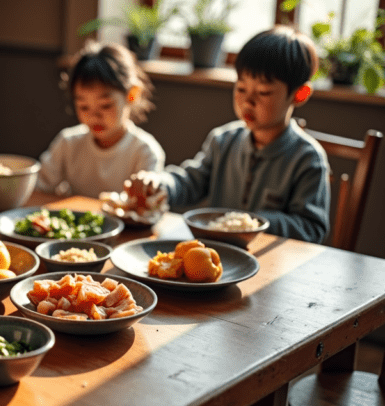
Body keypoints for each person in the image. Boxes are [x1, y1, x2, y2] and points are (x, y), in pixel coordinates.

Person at [127, 26, 330, 243]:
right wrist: (160, 183)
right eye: (241, 88)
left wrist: (252, 223)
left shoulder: (307, 158)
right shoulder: (223, 140)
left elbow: (312, 228)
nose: (247, 101)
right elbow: (190, 181)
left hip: (273, 265)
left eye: (263, 92)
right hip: (218, 259)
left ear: (299, 94)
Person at [36, 41, 165, 198]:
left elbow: (145, 205)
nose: (94, 116)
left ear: (132, 95)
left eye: (105, 106)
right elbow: (39, 188)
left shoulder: (144, 151)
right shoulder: (67, 143)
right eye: (84, 107)